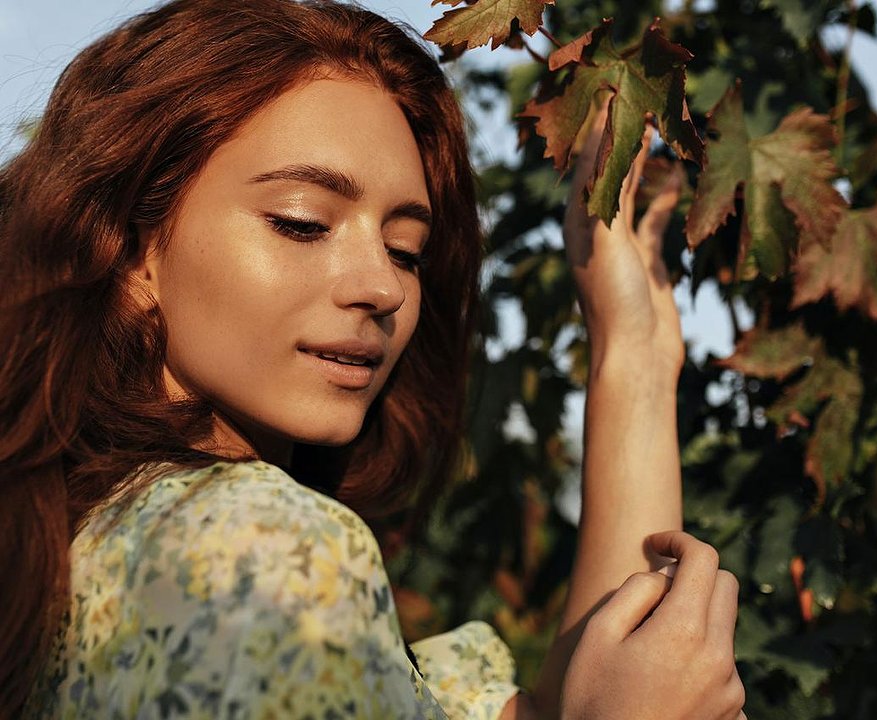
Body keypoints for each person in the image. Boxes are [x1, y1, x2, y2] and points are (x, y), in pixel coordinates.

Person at [0, 0, 745, 717]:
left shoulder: (82, 547)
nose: (383, 286)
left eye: (405, 250)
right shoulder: (258, 549)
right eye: (302, 223)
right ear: (130, 248)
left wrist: (633, 341)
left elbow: (578, 699)